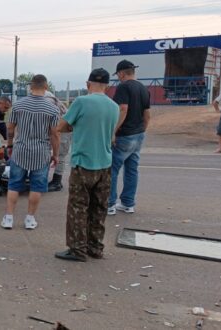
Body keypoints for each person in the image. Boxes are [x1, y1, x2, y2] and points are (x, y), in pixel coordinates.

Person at [54, 68, 120, 262]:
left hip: (83, 163)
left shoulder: (81, 102)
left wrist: (76, 126)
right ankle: (95, 247)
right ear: (107, 86)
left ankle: (77, 249)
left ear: (87, 84)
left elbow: (61, 126)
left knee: (78, 207)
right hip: (105, 164)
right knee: (99, 208)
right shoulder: (114, 106)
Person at [1, 74, 60, 230]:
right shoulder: (52, 109)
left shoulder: (18, 105)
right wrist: (55, 154)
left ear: (31, 87)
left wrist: (10, 145)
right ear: (46, 87)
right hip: (41, 152)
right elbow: (55, 134)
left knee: (13, 185)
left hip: (20, 150)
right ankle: (29, 219)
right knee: (36, 187)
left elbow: (10, 128)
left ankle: (8, 218)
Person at [108, 60, 150, 216]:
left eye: (118, 75)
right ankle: (128, 203)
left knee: (111, 170)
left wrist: (113, 131)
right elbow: (147, 114)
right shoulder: (143, 88)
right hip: (138, 134)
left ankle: (110, 204)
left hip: (124, 134)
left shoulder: (123, 87)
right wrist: (143, 130)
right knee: (132, 170)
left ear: (121, 73)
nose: (118, 77)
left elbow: (123, 109)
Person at [45, 91, 70, 192]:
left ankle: (57, 182)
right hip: (58, 126)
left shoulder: (47, 99)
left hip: (64, 128)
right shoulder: (45, 95)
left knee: (60, 154)